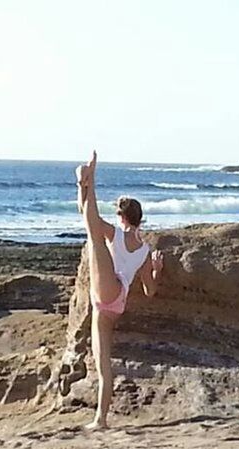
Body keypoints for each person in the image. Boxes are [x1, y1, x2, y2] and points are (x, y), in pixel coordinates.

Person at [76, 151, 164, 430]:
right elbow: (150, 292)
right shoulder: (146, 249)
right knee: (103, 366)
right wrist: (156, 271)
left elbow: (91, 220)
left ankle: (91, 178)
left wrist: (90, 182)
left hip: (109, 290)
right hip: (114, 304)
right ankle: (100, 420)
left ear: (122, 217)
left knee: (93, 238)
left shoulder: (117, 234)